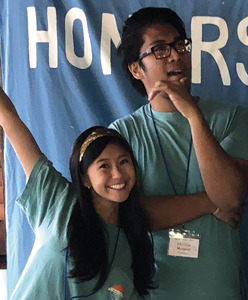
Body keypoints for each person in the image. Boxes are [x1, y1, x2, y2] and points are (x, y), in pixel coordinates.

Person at [111, 7, 248, 300]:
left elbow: (229, 197)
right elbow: (130, 215)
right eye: (160, 50)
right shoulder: (123, 134)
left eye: (180, 45)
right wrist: (209, 204)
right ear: (136, 68)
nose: (176, 55)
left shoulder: (231, 118)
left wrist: (193, 116)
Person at [0, 89, 155, 299]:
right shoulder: (58, 200)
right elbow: (9, 120)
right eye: (104, 166)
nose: (117, 174)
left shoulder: (134, 240)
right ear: (84, 178)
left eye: (123, 162)